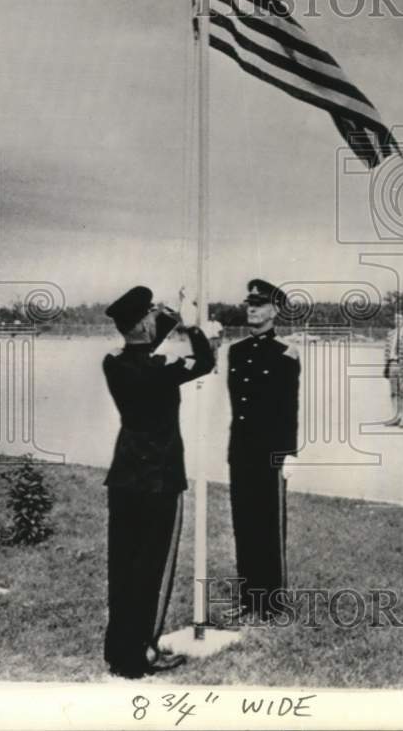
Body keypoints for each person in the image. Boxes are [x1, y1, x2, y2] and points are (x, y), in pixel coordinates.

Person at [102, 285, 215, 678]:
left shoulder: (115, 363)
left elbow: (148, 336)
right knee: (152, 569)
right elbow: (205, 362)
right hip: (160, 480)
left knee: (123, 567)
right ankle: (140, 654)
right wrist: (192, 325)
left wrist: (169, 313)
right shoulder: (160, 371)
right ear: (144, 325)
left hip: (126, 477)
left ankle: (119, 651)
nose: (155, 318)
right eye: (150, 314)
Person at [225, 278, 301, 622]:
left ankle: (270, 600)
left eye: (259, 305)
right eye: (250, 304)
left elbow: (289, 407)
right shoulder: (236, 351)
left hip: (270, 451)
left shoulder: (286, 353)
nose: (252, 310)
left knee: (269, 523)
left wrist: (288, 453)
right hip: (241, 449)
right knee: (243, 523)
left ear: (274, 311)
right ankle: (248, 596)